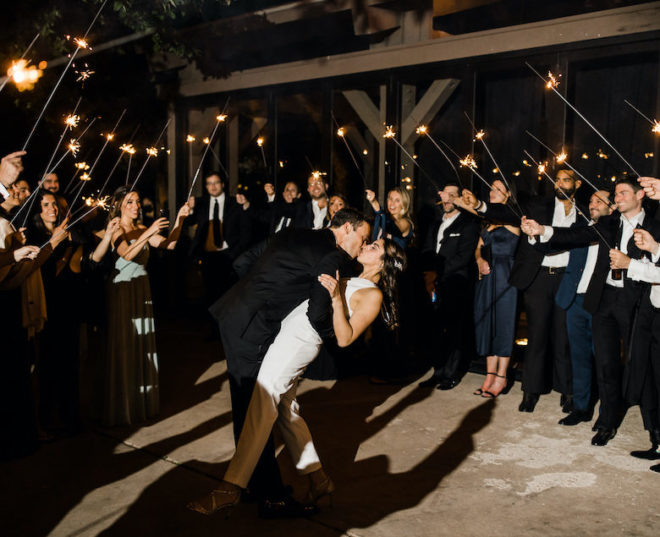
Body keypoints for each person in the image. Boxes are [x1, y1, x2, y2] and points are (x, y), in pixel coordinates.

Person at [189, 238, 406, 515]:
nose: (366, 246)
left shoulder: (373, 295)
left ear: (384, 264)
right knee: (286, 412)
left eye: (374, 247)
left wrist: (337, 299)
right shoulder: (350, 274)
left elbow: (344, 338)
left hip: (300, 343)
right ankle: (319, 480)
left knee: (262, 403)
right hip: (287, 334)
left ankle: (230, 487)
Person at [205, 208, 370, 518]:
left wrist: (256, 292)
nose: (363, 243)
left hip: (235, 312)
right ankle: (271, 497)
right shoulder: (329, 255)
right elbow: (316, 312)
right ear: (347, 228)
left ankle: (256, 486)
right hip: (251, 327)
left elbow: (243, 261)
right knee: (256, 406)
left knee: (251, 405)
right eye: (363, 236)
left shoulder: (294, 231)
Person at [520, 177, 660, 446]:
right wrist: (542, 230)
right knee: (606, 364)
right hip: (605, 299)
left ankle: (652, 428)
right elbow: (574, 236)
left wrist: (640, 256)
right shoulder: (608, 223)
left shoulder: (654, 225)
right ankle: (606, 422)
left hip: (637, 302)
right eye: (615, 195)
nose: (617, 199)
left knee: (641, 366)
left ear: (640, 195)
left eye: (622, 193)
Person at [462, 169, 584, 414]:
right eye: (557, 180)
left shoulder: (583, 212)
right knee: (536, 337)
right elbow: (508, 212)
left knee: (563, 339)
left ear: (577, 184)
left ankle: (567, 392)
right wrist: (480, 205)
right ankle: (530, 392)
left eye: (565, 180)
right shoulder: (540, 205)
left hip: (566, 279)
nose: (559, 184)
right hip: (538, 278)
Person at [103, 187, 190, 426]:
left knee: (141, 344)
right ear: (120, 205)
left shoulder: (143, 229)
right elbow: (126, 254)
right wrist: (149, 231)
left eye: (137, 201)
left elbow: (169, 245)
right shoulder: (116, 228)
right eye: (130, 202)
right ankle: (124, 408)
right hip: (123, 288)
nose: (136, 205)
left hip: (142, 286)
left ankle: (141, 403)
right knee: (125, 343)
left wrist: (180, 220)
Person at [555, 190, 613, 426]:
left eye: (599, 201)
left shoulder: (614, 229)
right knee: (578, 356)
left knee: (603, 359)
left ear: (612, 207)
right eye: (591, 201)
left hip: (600, 301)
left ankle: (606, 413)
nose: (593, 204)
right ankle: (581, 407)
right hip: (575, 299)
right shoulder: (580, 228)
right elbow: (556, 240)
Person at [420, 183, 480, 390]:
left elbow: (463, 257)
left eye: (452, 196)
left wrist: (438, 273)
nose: (447, 199)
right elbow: (427, 249)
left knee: (454, 329)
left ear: (459, 199)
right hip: (433, 283)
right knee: (435, 328)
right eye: (445, 195)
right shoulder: (436, 223)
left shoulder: (468, 223)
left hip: (455, 282)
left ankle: (451, 374)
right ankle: (437, 372)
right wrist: (428, 274)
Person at [609, 226, 660, 472]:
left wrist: (632, 263)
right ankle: (658, 443)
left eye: (652, 183)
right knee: (649, 377)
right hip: (651, 309)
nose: (647, 184)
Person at [470, 179, 520, 398]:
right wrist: (479, 260)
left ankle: (502, 375)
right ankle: (489, 375)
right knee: (487, 323)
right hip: (486, 277)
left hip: (506, 277)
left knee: (504, 324)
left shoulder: (512, 220)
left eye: (498, 189)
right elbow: (478, 249)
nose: (492, 191)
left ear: (508, 194)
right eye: (491, 188)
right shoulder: (487, 223)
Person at [186, 172, 251, 303]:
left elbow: (245, 231)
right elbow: (189, 222)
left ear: (222, 184)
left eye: (216, 182)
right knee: (209, 294)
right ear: (206, 186)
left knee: (227, 294)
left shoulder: (234, 202)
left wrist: (235, 253)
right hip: (207, 256)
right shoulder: (200, 203)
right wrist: (190, 210)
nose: (213, 186)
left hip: (228, 255)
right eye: (209, 183)